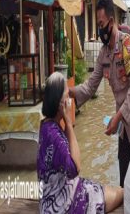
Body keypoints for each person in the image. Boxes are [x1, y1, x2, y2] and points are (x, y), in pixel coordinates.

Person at [69, 0, 130, 187]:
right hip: (123, 127)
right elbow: (90, 86)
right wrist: (69, 92)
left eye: (101, 24)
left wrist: (117, 118)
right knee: (124, 178)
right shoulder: (104, 53)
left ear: (111, 21)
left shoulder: (126, 44)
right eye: (98, 25)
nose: (100, 29)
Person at [37, 72, 123, 214]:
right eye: (67, 94)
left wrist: (65, 122)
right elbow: (75, 169)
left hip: (51, 197)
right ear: (61, 103)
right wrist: (69, 123)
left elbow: (63, 152)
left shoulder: (46, 126)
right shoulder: (54, 135)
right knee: (121, 192)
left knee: (109, 188)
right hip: (62, 205)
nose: (70, 97)